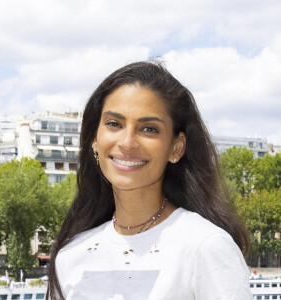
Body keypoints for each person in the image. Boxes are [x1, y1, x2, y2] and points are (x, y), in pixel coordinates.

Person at [47, 61, 253, 299]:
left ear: (176, 147)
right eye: (114, 124)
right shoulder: (71, 255)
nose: (127, 142)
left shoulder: (204, 246)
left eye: (149, 129)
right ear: (95, 139)